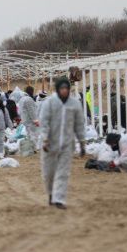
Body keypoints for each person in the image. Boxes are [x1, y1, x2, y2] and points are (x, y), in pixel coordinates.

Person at [39, 77, 86, 210]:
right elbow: (44, 122)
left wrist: (82, 143)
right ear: (58, 89)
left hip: (67, 144)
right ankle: (50, 193)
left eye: (66, 88)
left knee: (63, 172)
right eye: (62, 88)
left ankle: (59, 198)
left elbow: (79, 124)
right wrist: (45, 139)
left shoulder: (75, 104)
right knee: (49, 173)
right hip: (50, 144)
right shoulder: (49, 103)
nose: (64, 91)